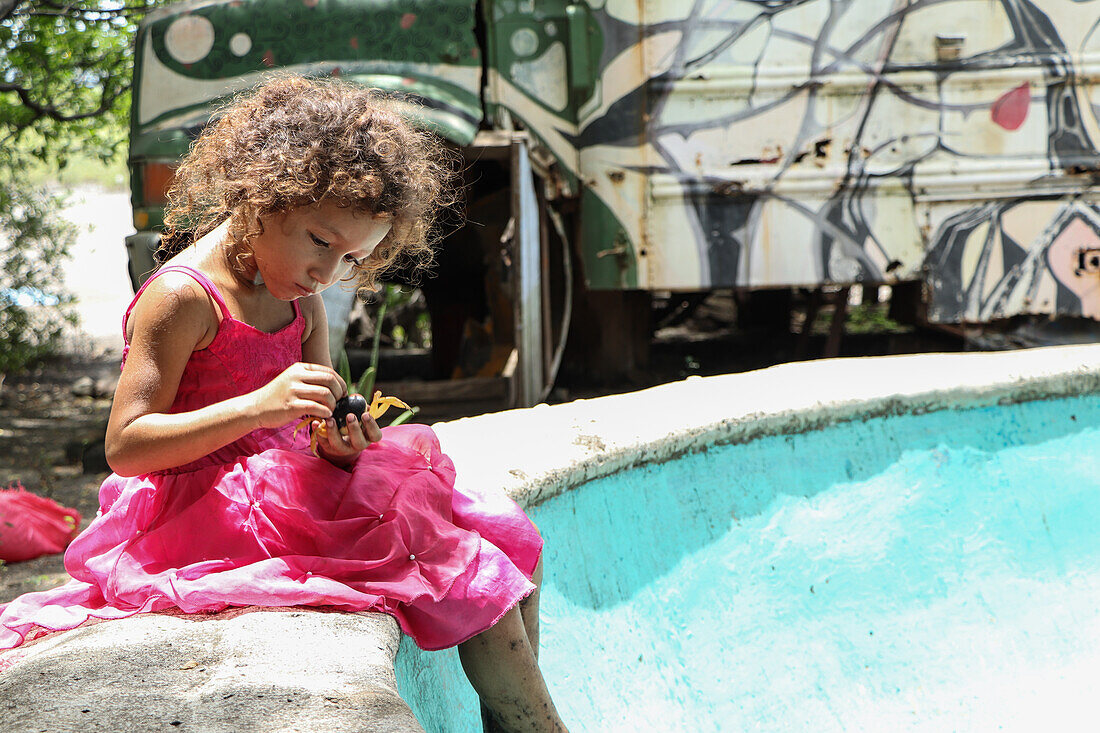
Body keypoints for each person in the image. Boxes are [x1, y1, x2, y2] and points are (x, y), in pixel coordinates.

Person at [0, 75, 567, 732]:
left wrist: (337, 442)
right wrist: (255, 408)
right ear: (263, 198)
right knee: (474, 582)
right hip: (200, 511)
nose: (328, 272)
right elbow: (126, 446)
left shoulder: (304, 298)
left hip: (288, 488)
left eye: (352, 256)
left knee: (511, 541)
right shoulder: (182, 299)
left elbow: (313, 420)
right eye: (320, 242)